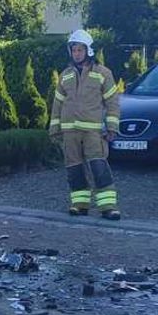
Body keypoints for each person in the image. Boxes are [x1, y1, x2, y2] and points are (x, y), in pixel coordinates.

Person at [48, 29, 121, 220]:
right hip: (69, 131)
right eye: (74, 50)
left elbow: (112, 102)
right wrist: (54, 129)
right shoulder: (65, 76)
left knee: (99, 167)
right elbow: (57, 104)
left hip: (93, 132)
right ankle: (79, 205)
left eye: (80, 50)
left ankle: (108, 208)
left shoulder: (103, 74)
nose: (76, 54)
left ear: (88, 51)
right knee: (74, 169)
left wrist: (112, 127)